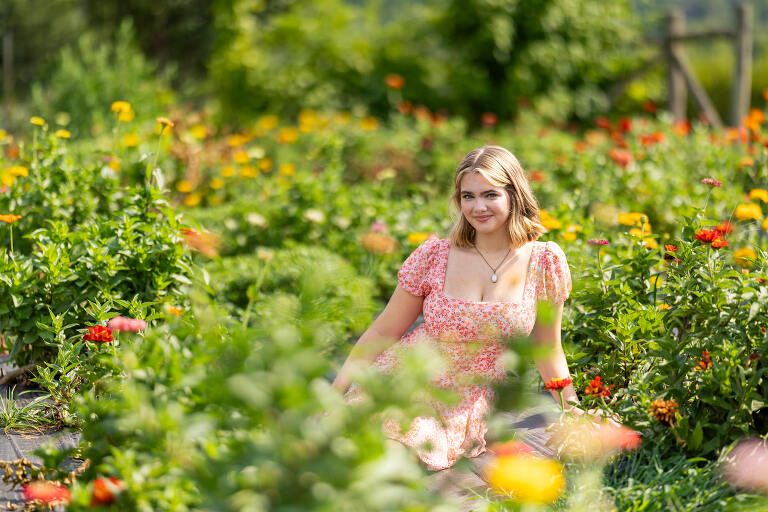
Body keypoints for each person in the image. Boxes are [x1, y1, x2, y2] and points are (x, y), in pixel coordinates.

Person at [331, 145, 579, 472]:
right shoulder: (435, 256)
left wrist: (575, 412)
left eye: (490, 195)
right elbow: (382, 331)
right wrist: (333, 395)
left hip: (464, 398)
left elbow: (548, 349)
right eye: (468, 196)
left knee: (395, 453)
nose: (478, 207)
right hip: (407, 373)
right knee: (357, 444)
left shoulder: (543, 261)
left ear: (514, 195)